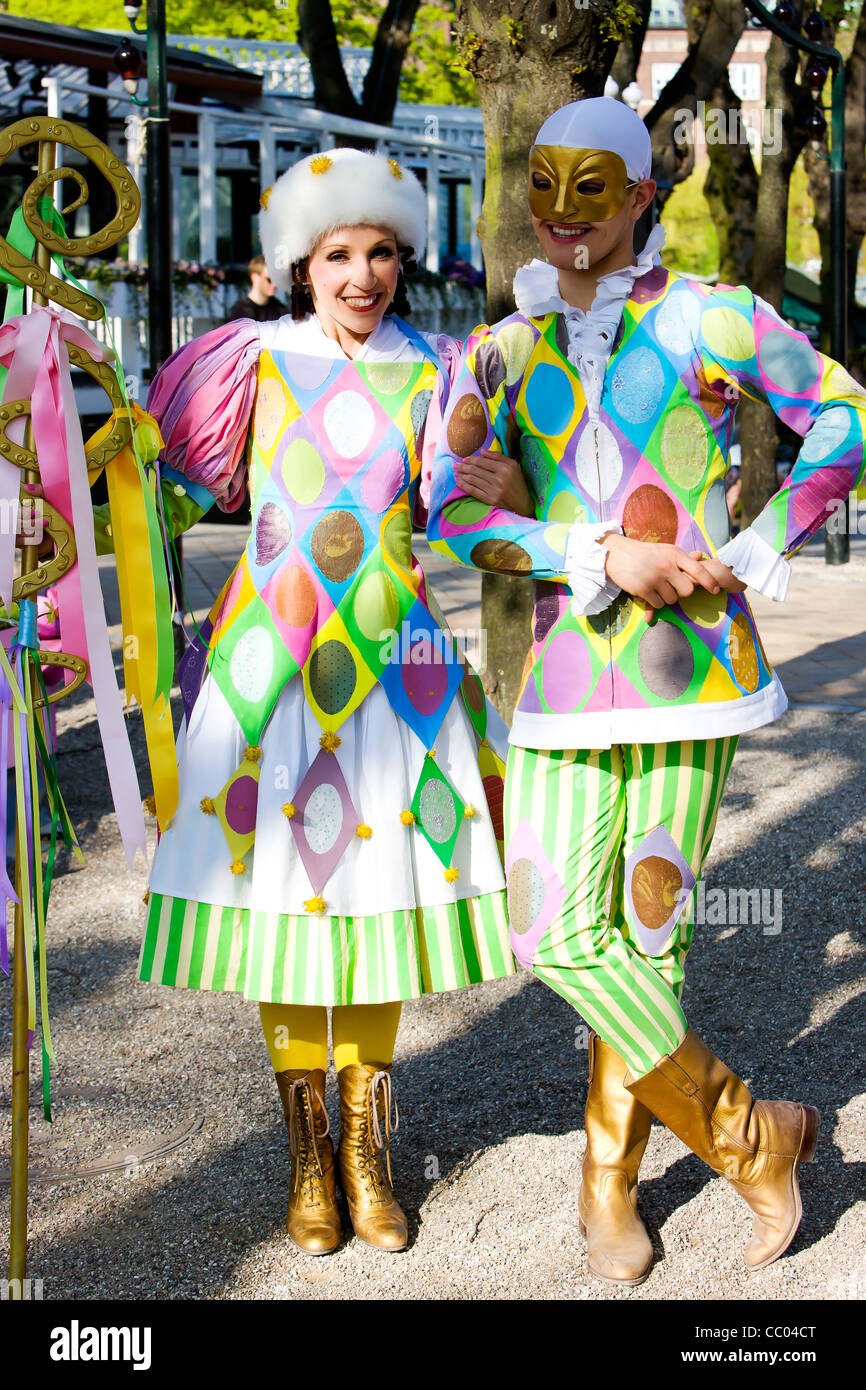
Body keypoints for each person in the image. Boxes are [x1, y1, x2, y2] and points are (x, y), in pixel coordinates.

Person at [428, 96, 866, 1286]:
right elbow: (453, 513)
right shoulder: (496, 352)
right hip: (568, 678)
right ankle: (747, 1131)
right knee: (552, 933)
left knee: (648, 936)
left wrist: (770, 538)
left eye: (594, 187)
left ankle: (604, 1185)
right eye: (546, 186)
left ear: (638, 196)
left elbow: (843, 410)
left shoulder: (709, 313)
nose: (564, 215)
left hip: (693, 675)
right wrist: (594, 553)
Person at [124, 148, 522, 1256]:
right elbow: (173, 456)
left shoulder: (440, 374)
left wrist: (495, 488)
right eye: (338, 254)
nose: (361, 275)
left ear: (402, 261)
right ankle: (307, 1155)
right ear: (301, 264)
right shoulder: (247, 365)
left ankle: (365, 1147)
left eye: (380, 253)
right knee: (281, 906)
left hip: (397, 669)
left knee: (378, 894)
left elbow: (457, 510)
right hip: (268, 667)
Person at [225, 253, 289, 323]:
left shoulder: (280, 310)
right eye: (269, 279)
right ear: (255, 277)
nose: (274, 284)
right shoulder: (240, 312)